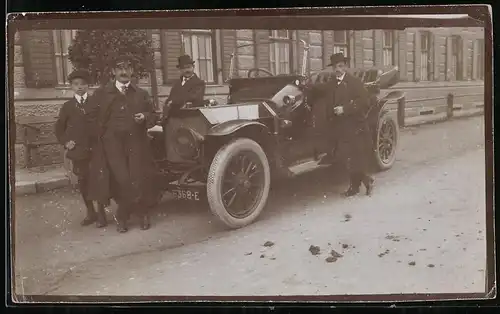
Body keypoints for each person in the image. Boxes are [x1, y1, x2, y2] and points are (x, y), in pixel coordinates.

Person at [88, 55, 159, 233]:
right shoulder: (102, 93)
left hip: (135, 142)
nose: (124, 71)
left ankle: (139, 214)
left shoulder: (141, 94)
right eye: (119, 68)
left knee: (137, 178)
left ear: (132, 71)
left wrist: (145, 117)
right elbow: (92, 117)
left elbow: (154, 114)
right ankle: (124, 215)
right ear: (113, 72)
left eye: (127, 68)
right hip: (112, 145)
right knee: (122, 180)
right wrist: (101, 137)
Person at [55, 69, 108, 228]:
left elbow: (104, 124)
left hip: (97, 148)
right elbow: (59, 129)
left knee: (98, 179)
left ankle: (101, 213)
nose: (80, 87)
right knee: (83, 181)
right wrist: (66, 142)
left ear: (88, 86)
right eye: (76, 84)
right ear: (71, 86)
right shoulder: (68, 106)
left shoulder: (96, 104)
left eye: (83, 84)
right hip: (79, 150)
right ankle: (90, 212)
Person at [326, 53, 374, 197]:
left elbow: (364, 102)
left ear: (345, 67)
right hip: (342, 127)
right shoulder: (332, 83)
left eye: (340, 66)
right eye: (335, 67)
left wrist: (345, 109)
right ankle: (362, 183)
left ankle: (360, 184)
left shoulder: (354, 82)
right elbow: (322, 90)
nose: (338, 69)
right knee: (348, 157)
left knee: (355, 157)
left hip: (356, 126)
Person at [162, 54, 206, 120]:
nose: (186, 70)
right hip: (175, 119)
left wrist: (173, 102)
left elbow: (193, 98)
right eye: (183, 68)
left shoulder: (199, 83)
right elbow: (169, 100)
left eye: (188, 67)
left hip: (191, 119)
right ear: (180, 69)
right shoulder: (176, 83)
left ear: (193, 67)